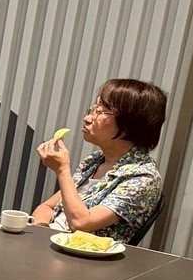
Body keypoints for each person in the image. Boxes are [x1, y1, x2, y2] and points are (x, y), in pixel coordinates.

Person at [33, 78, 166, 243]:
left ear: (130, 124)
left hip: (81, 255)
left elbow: (81, 223)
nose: (87, 118)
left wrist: (62, 170)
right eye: (93, 109)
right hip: (50, 244)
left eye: (101, 111)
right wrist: (41, 230)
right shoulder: (95, 161)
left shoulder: (143, 178)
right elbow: (47, 207)